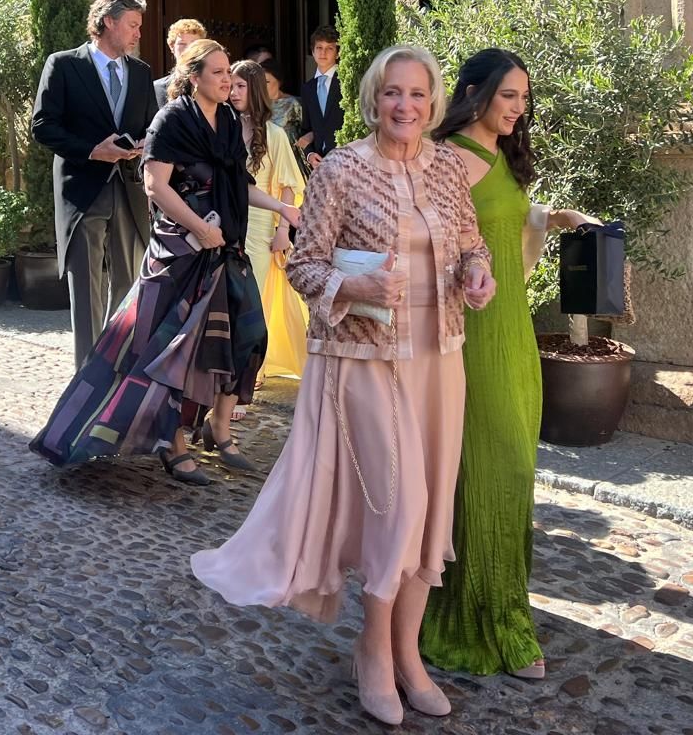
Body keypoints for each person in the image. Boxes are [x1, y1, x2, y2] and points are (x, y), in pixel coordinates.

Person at [192, 45, 496, 727]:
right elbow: (304, 266)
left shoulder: (449, 168)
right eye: (393, 93)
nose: (406, 107)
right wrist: (352, 286)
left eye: (418, 95)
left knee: (429, 516)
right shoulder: (342, 172)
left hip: (439, 359)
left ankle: (407, 654)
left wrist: (477, 273)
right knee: (400, 505)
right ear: (373, 98)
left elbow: (472, 243)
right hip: (365, 363)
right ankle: (372, 651)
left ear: (434, 102)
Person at [30, 39, 302, 484]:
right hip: (181, 252)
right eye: (217, 72)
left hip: (225, 248)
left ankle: (218, 427)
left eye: (227, 72)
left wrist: (281, 208)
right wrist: (198, 225)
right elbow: (156, 186)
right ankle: (173, 446)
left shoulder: (230, 122)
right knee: (172, 354)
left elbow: (238, 184)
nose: (227, 80)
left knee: (248, 336)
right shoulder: (170, 120)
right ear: (193, 77)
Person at [419, 48, 600, 682]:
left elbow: (507, 221)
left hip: (514, 334)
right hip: (469, 335)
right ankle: (478, 620)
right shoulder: (446, 159)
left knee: (516, 473)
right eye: (508, 97)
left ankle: (505, 607)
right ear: (473, 93)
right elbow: (430, 247)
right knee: (487, 470)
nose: (518, 110)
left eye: (524, 98)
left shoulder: (501, 155)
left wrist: (558, 217)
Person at [30, 0, 158, 370]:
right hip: (84, 192)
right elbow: (42, 127)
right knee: (86, 287)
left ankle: (114, 364)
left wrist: (146, 142)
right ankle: (84, 376)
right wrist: (92, 149)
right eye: (132, 26)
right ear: (108, 22)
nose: (138, 34)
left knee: (127, 283)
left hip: (129, 191)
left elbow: (151, 124)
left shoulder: (142, 73)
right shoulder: (64, 65)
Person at [229, 59, 309, 381]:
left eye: (240, 86)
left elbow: (290, 185)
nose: (232, 92)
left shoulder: (274, 135)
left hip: (261, 228)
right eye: (230, 85)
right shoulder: (225, 128)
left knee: (254, 301)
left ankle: (250, 376)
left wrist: (283, 231)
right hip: (228, 224)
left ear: (255, 90)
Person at [296, 24, 343, 171]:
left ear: (337, 53)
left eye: (329, 48)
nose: (323, 53)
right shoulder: (307, 88)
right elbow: (306, 128)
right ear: (313, 51)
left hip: (343, 161)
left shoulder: (346, 83)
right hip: (319, 164)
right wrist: (309, 154)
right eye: (319, 48)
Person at [245, 44, 303, 146]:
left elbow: (309, 130)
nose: (262, 86)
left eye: (267, 82)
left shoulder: (293, 104)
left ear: (279, 81)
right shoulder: (255, 104)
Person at [154, 17, 207, 108]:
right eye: (182, 44)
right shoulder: (156, 88)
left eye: (193, 44)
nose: (188, 49)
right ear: (172, 47)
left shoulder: (210, 84)